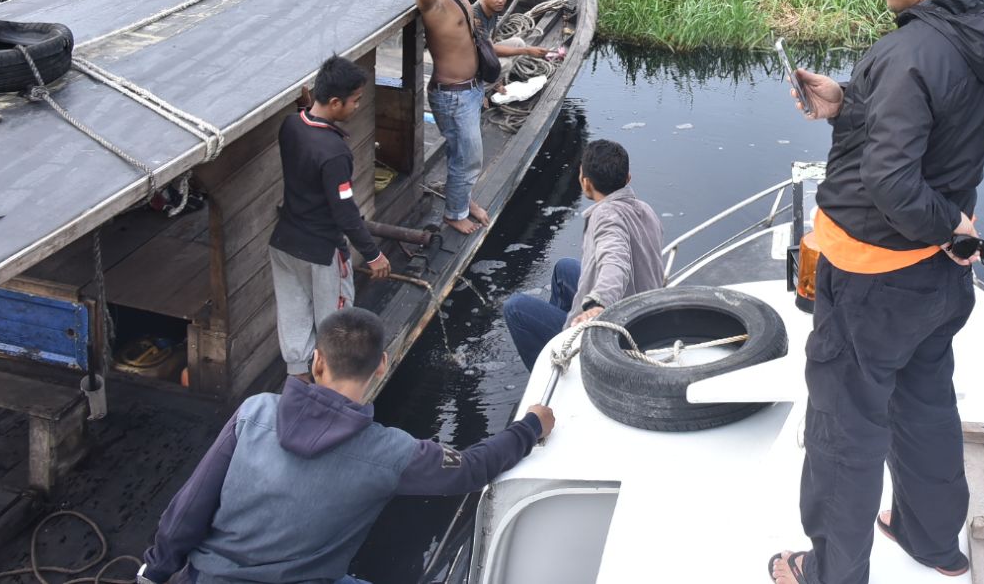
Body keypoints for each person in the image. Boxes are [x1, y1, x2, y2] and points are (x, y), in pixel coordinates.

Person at [768, 0, 984, 584]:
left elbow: (891, 185)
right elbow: (928, 132)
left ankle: (828, 572)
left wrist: (949, 225)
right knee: (925, 400)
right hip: (937, 284)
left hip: (874, 280)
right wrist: (848, 104)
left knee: (844, 434)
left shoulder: (908, 54)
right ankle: (931, 537)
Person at [137, 308, 555, 584]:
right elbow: (470, 469)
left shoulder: (254, 413)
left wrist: (153, 573)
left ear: (317, 361)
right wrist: (530, 425)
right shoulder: (393, 453)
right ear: (382, 365)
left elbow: (188, 508)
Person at [269, 56, 390, 382]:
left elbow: (304, 116)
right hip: (322, 252)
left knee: (294, 323)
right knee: (336, 329)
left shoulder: (291, 126)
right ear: (335, 102)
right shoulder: (334, 152)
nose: (357, 106)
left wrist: (305, 104)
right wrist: (373, 253)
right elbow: (345, 214)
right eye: (355, 101)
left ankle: (298, 386)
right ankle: (331, 395)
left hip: (284, 244)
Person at [501, 139, 664, 369]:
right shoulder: (644, 208)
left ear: (585, 183)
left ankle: (554, 367)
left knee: (515, 307)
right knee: (564, 268)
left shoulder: (605, 216)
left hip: (623, 332)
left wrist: (597, 304)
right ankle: (561, 338)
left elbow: (616, 261)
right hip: (647, 311)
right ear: (628, 179)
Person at [396, 0, 489, 234]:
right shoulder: (432, 0)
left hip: (472, 89)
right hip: (453, 96)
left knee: (465, 155)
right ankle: (454, 213)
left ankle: (464, 198)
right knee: (467, 156)